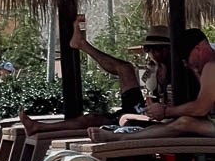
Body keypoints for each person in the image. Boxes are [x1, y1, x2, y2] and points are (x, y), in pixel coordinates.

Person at [19, 21, 171, 137]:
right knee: (92, 118)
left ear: (168, 49)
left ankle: (83, 45)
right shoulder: (154, 69)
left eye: (158, 49)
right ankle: (38, 127)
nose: (154, 53)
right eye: (151, 49)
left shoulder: (176, 71)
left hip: (157, 118)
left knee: (125, 69)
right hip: (144, 112)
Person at [92, 28, 215, 143]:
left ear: (198, 49)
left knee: (184, 122)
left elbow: (200, 108)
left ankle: (123, 138)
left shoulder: (211, 66)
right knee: (182, 122)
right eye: (150, 50)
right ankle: (123, 137)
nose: (186, 64)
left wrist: (166, 111)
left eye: (186, 58)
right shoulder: (156, 70)